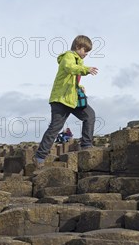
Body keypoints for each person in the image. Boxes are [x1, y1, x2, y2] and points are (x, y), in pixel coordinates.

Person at [33, 35, 99, 167]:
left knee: (90, 116)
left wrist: (80, 87)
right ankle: (40, 157)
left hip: (72, 99)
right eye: (85, 50)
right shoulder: (68, 57)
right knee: (55, 128)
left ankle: (86, 145)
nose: (86, 54)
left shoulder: (79, 62)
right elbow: (69, 68)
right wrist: (86, 69)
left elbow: (71, 79)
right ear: (78, 47)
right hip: (60, 100)